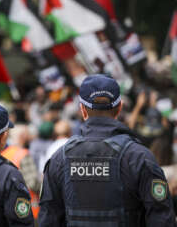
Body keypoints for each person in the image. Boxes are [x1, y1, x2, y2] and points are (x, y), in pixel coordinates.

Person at [38, 74, 176, 226]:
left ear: (83, 110)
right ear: (119, 109)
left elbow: (48, 220)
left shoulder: (59, 159)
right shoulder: (139, 157)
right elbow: (162, 220)